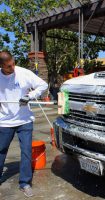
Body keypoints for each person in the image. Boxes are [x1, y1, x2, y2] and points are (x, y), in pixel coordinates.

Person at [0, 51, 48, 197]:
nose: (13, 67)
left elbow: (43, 85)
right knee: (1, 151)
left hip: (24, 120)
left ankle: (25, 183)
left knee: (26, 152)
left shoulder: (23, 73)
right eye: (9, 66)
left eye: (13, 63)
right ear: (1, 65)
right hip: (5, 121)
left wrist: (29, 96)